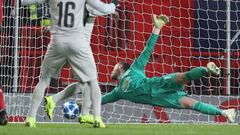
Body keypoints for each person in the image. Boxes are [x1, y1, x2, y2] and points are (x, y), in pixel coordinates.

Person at [101, 14, 236, 123]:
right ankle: (225, 112)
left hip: (157, 83)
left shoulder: (135, 68)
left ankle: (206, 70)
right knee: (189, 103)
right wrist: (82, 104)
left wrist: (156, 28)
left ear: (120, 67)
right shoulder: (117, 92)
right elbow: (100, 100)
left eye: (113, 68)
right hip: (160, 98)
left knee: (182, 77)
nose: (111, 71)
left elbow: (148, 50)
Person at [21, 0, 116, 128]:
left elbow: (25, 2)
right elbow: (103, 9)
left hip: (57, 42)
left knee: (43, 80)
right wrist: (114, 5)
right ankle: (97, 118)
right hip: (78, 42)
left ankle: (31, 118)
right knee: (92, 81)